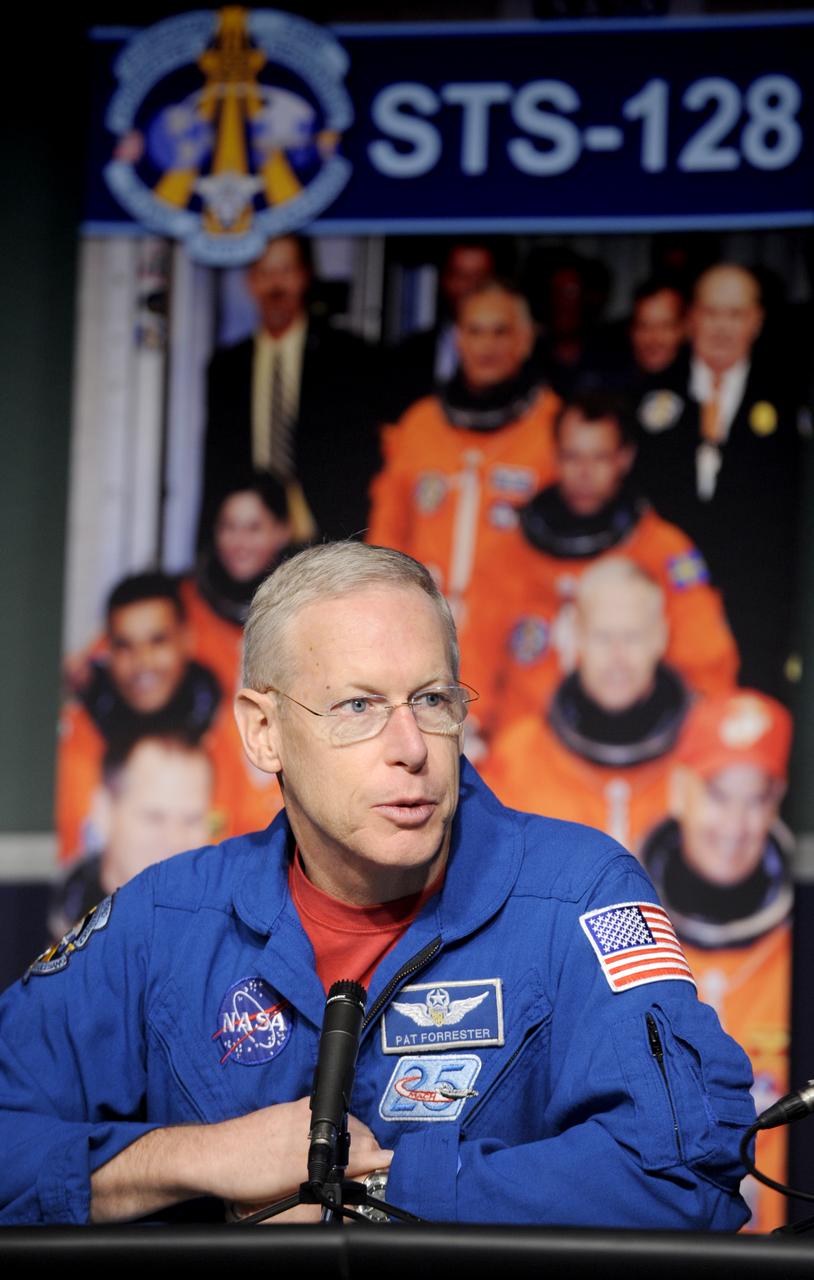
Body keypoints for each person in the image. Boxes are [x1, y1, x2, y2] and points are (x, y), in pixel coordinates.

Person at [1, 542, 755, 1227]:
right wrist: (201, 1160)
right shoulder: (167, 920)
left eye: (432, 700)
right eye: (358, 706)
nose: (411, 748)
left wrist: (374, 1194)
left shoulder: (579, 894)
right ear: (263, 732)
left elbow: (690, 1170)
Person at [470, 393, 737, 736]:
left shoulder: (663, 552)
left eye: (599, 458)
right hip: (524, 747)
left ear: (624, 458)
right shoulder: (511, 553)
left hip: (628, 744)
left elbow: (708, 669)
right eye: (572, 457)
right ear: (555, 457)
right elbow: (474, 660)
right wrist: (468, 732)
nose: (584, 473)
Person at [368, 279, 560, 733]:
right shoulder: (420, 425)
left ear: (525, 340)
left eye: (500, 332)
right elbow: (385, 541)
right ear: (457, 339)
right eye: (475, 331)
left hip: (519, 649)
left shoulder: (553, 427)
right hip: (424, 639)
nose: (486, 346)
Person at [641, 690, 794, 1233]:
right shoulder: (621, 926)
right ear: (680, 790)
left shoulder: (795, 951)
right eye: (718, 794)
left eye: (756, 800)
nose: (735, 824)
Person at [634, 263, 803, 698]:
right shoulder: (649, 395)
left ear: (756, 321)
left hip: (758, 613)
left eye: (735, 314)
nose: (722, 327)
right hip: (666, 605)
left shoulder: (789, 398)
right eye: (711, 313)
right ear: (691, 319)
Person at [55, 572, 278, 861]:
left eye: (158, 641)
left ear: (186, 640)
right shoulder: (76, 736)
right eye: (125, 646)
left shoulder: (234, 728)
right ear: (108, 651)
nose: (143, 662)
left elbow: (255, 843)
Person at [482, 558, 691, 855]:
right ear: (576, 636)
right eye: (602, 637)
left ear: (660, 636)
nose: (618, 657)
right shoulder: (519, 757)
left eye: (632, 637)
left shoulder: (701, 758)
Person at [202, 234, 382, 544]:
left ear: (306, 275)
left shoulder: (349, 356)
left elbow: (363, 457)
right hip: (252, 541)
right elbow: (216, 463)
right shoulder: (227, 367)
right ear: (250, 282)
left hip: (329, 533)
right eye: (265, 273)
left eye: (286, 271)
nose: (276, 285)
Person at [49, 734, 215, 942]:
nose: (176, 840)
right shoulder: (60, 936)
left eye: (192, 820)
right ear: (103, 813)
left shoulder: (229, 931)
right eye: (154, 818)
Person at [183, 471, 294, 698]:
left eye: (253, 528)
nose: (239, 543)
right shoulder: (185, 601)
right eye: (228, 527)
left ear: (282, 531)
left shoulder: (302, 609)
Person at [388, 238, 500, 414]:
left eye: (480, 277)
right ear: (445, 281)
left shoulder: (518, 353)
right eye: (461, 276)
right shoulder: (408, 355)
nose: (471, 287)